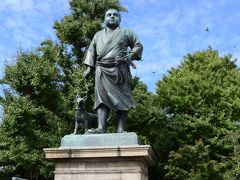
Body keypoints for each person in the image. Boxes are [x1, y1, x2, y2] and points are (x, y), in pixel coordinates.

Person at [83, 9, 143, 133]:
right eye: (109, 15)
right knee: (101, 98)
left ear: (119, 19)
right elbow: (91, 50)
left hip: (119, 69)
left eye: (115, 15)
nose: (112, 17)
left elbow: (138, 45)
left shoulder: (127, 32)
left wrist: (130, 56)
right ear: (104, 19)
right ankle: (101, 128)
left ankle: (121, 129)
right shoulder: (98, 35)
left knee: (123, 99)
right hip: (101, 69)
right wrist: (89, 67)